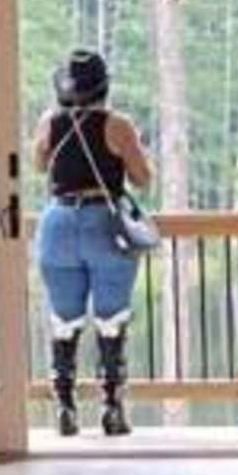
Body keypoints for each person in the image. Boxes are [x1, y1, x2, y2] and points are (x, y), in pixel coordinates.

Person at [32, 44, 153, 439]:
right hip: (105, 222)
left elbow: (38, 165)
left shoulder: (49, 123)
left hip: (58, 222)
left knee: (64, 320)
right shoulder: (118, 125)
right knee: (111, 317)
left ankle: (65, 408)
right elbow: (142, 177)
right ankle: (112, 408)